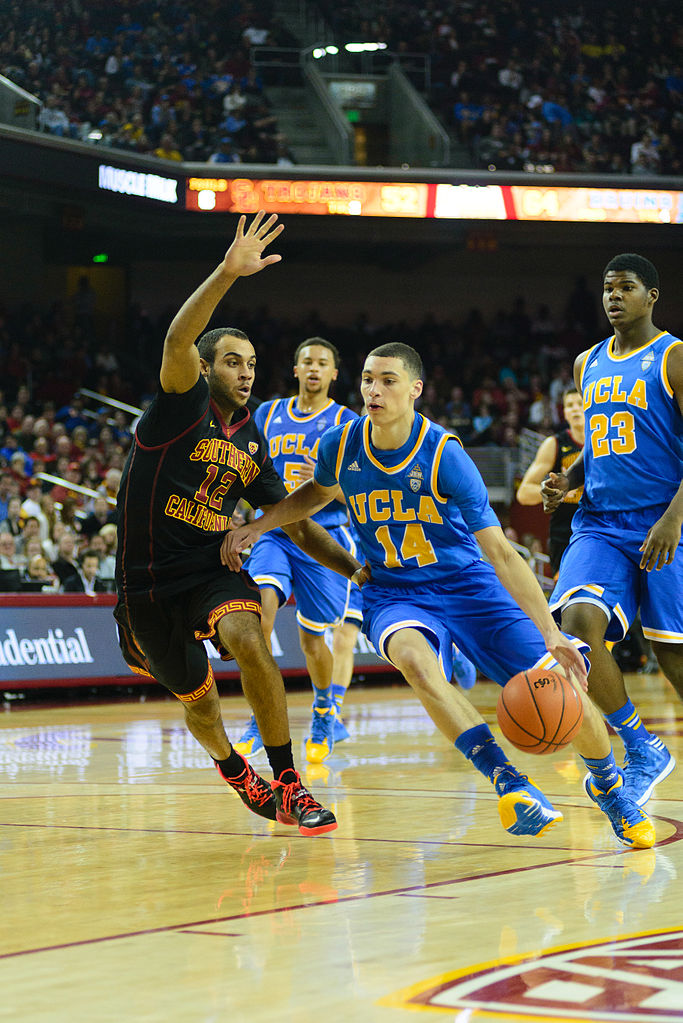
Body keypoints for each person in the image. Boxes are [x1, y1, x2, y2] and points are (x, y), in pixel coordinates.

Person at [224, 342, 655, 849]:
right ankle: (509, 782)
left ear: (415, 389)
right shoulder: (340, 445)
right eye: (367, 379)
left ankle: (610, 787)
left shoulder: (444, 454)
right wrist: (259, 525)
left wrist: (551, 632)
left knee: (561, 690)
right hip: (395, 593)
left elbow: (500, 553)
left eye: (387, 380)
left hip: (469, 588)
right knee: (415, 661)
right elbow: (310, 497)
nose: (373, 390)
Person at [114, 211, 362, 837]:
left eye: (251, 362)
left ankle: (287, 781)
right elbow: (176, 341)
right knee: (197, 700)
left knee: (251, 635)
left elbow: (299, 524)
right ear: (205, 369)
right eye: (231, 361)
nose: (246, 372)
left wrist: (359, 572)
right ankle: (235, 770)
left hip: (207, 570)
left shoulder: (253, 443)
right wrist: (228, 271)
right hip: (145, 585)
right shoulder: (181, 404)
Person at [543, 253, 680, 807]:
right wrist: (570, 478)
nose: (613, 297)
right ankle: (641, 746)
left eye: (626, 287)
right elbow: (603, 444)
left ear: (652, 297)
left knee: (671, 652)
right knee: (575, 629)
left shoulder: (672, 358)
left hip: (663, 520)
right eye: (606, 288)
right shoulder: (587, 363)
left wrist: (673, 519)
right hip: (599, 523)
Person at [234, 337, 362, 764]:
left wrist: (326, 485)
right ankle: (260, 713)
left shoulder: (347, 422)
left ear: (333, 374)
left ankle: (325, 706)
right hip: (273, 533)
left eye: (322, 363)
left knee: (312, 642)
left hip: (322, 539)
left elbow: (361, 492)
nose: (313, 368)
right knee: (260, 613)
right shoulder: (267, 414)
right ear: (295, 368)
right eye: (306, 361)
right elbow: (241, 466)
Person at [517, 387, 585, 574]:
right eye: (569, 405)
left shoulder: (603, 441)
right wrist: (550, 491)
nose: (575, 409)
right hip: (565, 533)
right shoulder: (554, 444)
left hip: (599, 525)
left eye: (580, 403)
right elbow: (523, 493)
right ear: (563, 412)